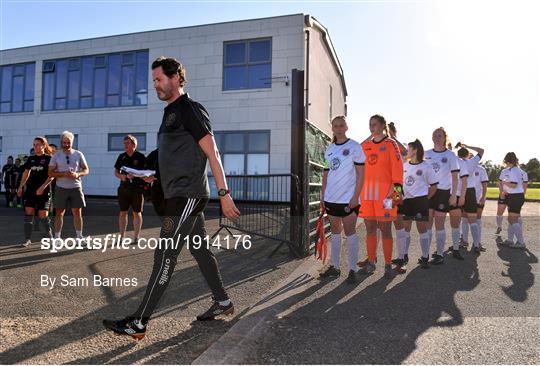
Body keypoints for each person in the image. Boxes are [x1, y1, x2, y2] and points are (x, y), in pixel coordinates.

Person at [103, 56, 241, 339]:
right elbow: (176, 155)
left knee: (164, 255)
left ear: (176, 77)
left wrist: (224, 193)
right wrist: (155, 176)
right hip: (178, 193)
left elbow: (212, 151)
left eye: (159, 79)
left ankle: (139, 322)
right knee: (201, 251)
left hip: (187, 196)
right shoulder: (170, 112)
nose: (155, 85)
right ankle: (223, 301)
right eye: (153, 80)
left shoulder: (190, 109)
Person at [319, 116, 365, 284]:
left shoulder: (355, 147)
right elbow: (325, 174)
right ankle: (335, 267)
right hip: (331, 199)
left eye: (341, 125)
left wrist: (355, 196)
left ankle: (352, 269)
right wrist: (323, 196)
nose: (338, 128)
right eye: (335, 126)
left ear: (346, 127)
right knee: (335, 232)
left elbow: (361, 174)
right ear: (332, 128)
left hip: (348, 200)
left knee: (350, 232)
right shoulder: (329, 149)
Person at [358, 114, 403, 279]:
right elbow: (356, 151)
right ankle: (371, 262)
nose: (372, 127)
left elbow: (398, 170)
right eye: (370, 125)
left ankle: (388, 265)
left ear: (383, 125)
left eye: (375, 124)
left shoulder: (391, 144)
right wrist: (369, 137)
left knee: (385, 229)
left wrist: (396, 193)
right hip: (367, 195)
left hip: (386, 196)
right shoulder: (367, 145)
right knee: (369, 228)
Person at [394, 140, 438, 271]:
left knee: (422, 230)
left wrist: (425, 199)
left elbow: (434, 186)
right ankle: (404, 256)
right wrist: (397, 199)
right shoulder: (404, 165)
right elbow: (397, 184)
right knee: (405, 230)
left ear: (415, 151)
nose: (407, 151)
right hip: (406, 201)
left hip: (420, 201)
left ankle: (425, 257)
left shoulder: (426, 166)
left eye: (409, 149)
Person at [425, 127, 464, 262]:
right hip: (429, 192)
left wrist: (453, 195)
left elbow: (455, 177)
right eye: (435, 135)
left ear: (444, 138)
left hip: (443, 192)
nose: (437, 137)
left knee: (439, 223)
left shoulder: (450, 155)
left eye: (440, 135)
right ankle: (425, 255)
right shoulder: (426, 153)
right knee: (427, 223)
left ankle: (440, 254)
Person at [47, 131, 89, 240]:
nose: (66, 144)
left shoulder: (78, 154)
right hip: (61, 188)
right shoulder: (56, 155)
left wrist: (77, 174)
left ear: (72, 142)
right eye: (64, 142)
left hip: (76, 187)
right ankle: (57, 237)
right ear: (61, 142)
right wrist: (63, 174)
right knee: (59, 213)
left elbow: (86, 169)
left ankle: (79, 236)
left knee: (77, 212)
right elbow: (50, 172)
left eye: (68, 142)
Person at [16, 137, 55, 247]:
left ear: (43, 145)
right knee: (28, 214)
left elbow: (51, 175)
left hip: (44, 191)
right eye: (34, 144)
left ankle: (50, 238)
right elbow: (25, 173)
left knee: (43, 216)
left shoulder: (49, 158)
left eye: (37, 144)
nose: (35, 146)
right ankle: (27, 239)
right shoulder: (30, 159)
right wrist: (21, 187)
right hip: (31, 191)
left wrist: (43, 187)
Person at [114, 134, 147, 244]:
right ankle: (122, 237)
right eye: (124, 143)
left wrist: (136, 175)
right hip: (124, 189)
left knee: (136, 213)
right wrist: (122, 176)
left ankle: (136, 237)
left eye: (127, 143)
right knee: (123, 212)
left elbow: (146, 173)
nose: (125, 145)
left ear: (134, 145)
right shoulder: (121, 156)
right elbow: (116, 172)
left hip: (137, 189)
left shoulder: (141, 157)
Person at [455, 143, 485, 254]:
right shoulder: (472, 161)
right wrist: (467, 145)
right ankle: (476, 245)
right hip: (470, 192)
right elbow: (481, 150)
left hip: (458, 193)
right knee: (473, 221)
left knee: (461, 220)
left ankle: (463, 241)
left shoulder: (455, 161)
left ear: (458, 154)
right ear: (468, 155)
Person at [499, 152, 526, 248]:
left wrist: (504, 182)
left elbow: (514, 185)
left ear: (508, 161)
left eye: (506, 161)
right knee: (511, 219)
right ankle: (510, 240)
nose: (505, 163)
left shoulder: (514, 171)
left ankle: (521, 242)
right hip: (514, 196)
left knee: (512, 219)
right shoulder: (514, 170)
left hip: (516, 196)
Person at [461, 159, 488, 248]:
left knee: (477, 220)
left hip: (478, 198)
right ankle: (464, 240)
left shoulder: (481, 169)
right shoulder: (463, 168)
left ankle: (477, 242)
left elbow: (484, 185)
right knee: (464, 219)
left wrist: (483, 197)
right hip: (467, 197)